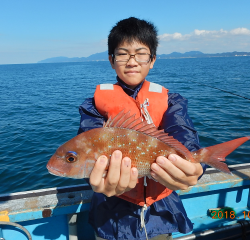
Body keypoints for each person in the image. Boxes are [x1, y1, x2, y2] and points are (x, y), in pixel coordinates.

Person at [78, 17, 206, 240]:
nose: (132, 61)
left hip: (161, 213)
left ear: (152, 60)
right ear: (111, 60)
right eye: (122, 53)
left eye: (141, 53)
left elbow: (183, 135)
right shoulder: (94, 106)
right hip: (110, 216)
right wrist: (94, 178)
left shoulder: (171, 101)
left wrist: (193, 165)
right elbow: (86, 148)